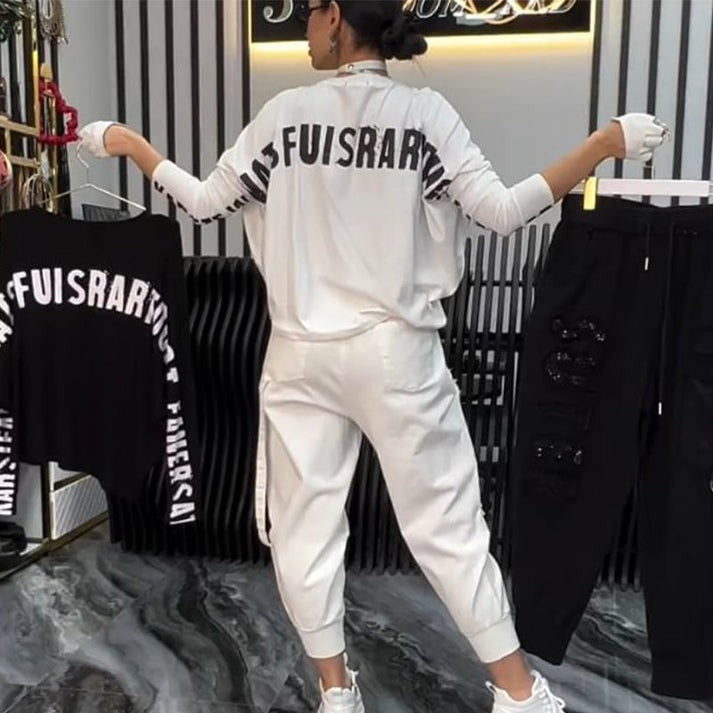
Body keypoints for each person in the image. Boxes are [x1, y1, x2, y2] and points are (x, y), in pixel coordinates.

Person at [78, 2, 668, 711]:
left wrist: (131, 144)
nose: (304, 29)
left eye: (309, 13)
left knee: (304, 530)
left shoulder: (284, 116)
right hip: (396, 355)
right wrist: (602, 144)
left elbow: (204, 204)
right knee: (448, 529)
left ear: (334, 17)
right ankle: (518, 695)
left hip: (300, 355)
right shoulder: (425, 115)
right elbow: (503, 211)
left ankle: (337, 693)